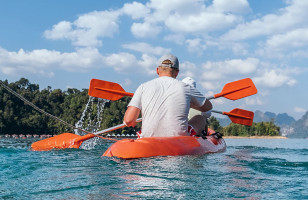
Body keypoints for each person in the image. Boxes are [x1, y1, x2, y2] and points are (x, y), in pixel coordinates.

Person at [123, 54, 212, 138]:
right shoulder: (185, 87)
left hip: (148, 140)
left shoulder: (143, 87)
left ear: (157, 70)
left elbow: (128, 120)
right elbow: (208, 107)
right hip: (178, 141)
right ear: (177, 72)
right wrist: (187, 101)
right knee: (200, 118)